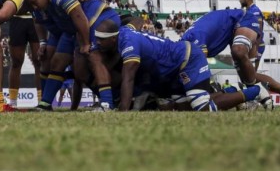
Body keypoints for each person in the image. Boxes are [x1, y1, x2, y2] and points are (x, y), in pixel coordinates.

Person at [94, 19, 264, 112]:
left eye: (101, 39)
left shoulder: (128, 44)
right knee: (182, 109)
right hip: (174, 69)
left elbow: (128, 78)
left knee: (202, 107)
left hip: (188, 59)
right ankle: (231, 91)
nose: (97, 43)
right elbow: (137, 20)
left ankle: (255, 91)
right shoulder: (124, 31)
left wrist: (123, 111)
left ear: (113, 39)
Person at [25, 0, 120, 111]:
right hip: (75, 29)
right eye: (32, 4)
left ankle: (107, 104)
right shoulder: (42, 7)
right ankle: (45, 104)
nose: (35, 7)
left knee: (94, 58)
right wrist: (43, 43)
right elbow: (39, 22)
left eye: (35, 2)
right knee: (60, 63)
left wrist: (86, 43)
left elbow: (79, 16)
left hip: (97, 19)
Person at [5, 0, 51, 108]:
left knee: (39, 61)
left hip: (37, 20)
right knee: (16, 62)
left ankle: (41, 101)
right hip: (17, 20)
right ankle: (13, 103)